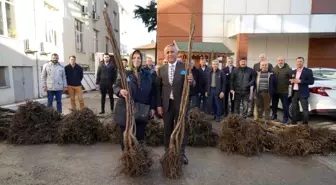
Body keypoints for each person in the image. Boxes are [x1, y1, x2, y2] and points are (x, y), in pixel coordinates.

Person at [156, 44, 194, 165]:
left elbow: (193, 84)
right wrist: (159, 105)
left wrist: (191, 81)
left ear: (177, 54)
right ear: (165, 55)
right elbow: (158, 89)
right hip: (167, 105)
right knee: (167, 130)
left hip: (181, 105)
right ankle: (168, 152)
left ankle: (181, 153)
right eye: (167, 52)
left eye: (172, 52)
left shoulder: (185, 67)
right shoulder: (161, 69)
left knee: (181, 129)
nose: (170, 54)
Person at [113, 50, 156, 151]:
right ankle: (127, 158)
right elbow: (116, 86)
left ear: (142, 60)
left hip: (142, 110)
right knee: (126, 136)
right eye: (134, 58)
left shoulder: (147, 74)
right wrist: (120, 91)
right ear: (130, 60)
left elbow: (153, 93)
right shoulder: (125, 73)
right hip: (126, 110)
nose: (136, 60)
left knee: (140, 137)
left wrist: (153, 107)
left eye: (139, 58)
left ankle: (139, 158)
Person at [290, 57, 314, 125]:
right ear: (296, 62)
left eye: (300, 61)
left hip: (303, 93)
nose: (299, 63)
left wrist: (300, 81)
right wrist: (291, 81)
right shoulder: (293, 71)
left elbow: (311, 81)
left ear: (303, 62)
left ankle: (305, 124)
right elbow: (291, 80)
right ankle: (293, 123)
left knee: (305, 109)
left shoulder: (308, 71)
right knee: (294, 109)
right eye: (298, 61)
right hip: (294, 92)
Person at [271, 56, 293, 123]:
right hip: (275, 91)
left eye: (282, 60)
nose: (280, 62)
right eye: (279, 60)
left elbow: (292, 79)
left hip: (284, 91)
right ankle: (274, 115)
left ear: (284, 61)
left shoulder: (288, 69)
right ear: (277, 61)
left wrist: (287, 83)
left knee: (285, 106)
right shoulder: (273, 69)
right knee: (274, 105)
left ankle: (285, 118)